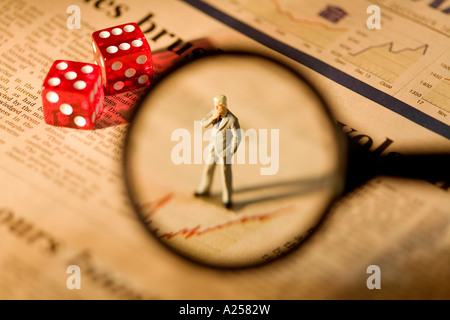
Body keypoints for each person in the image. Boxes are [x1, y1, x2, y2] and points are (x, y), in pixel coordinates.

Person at [195, 94, 241, 209]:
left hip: (225, 150)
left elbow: (238, 136)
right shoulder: (214, 112)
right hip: (213, 148)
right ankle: (204, 188)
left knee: (225, 174)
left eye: (218, 106)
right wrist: (212, 118)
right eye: (215, 106)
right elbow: (202, 123)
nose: (216, 108)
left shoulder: (232, 119)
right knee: (208, 169)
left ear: (223, 106)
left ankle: (227, 198)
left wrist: (232, 151)